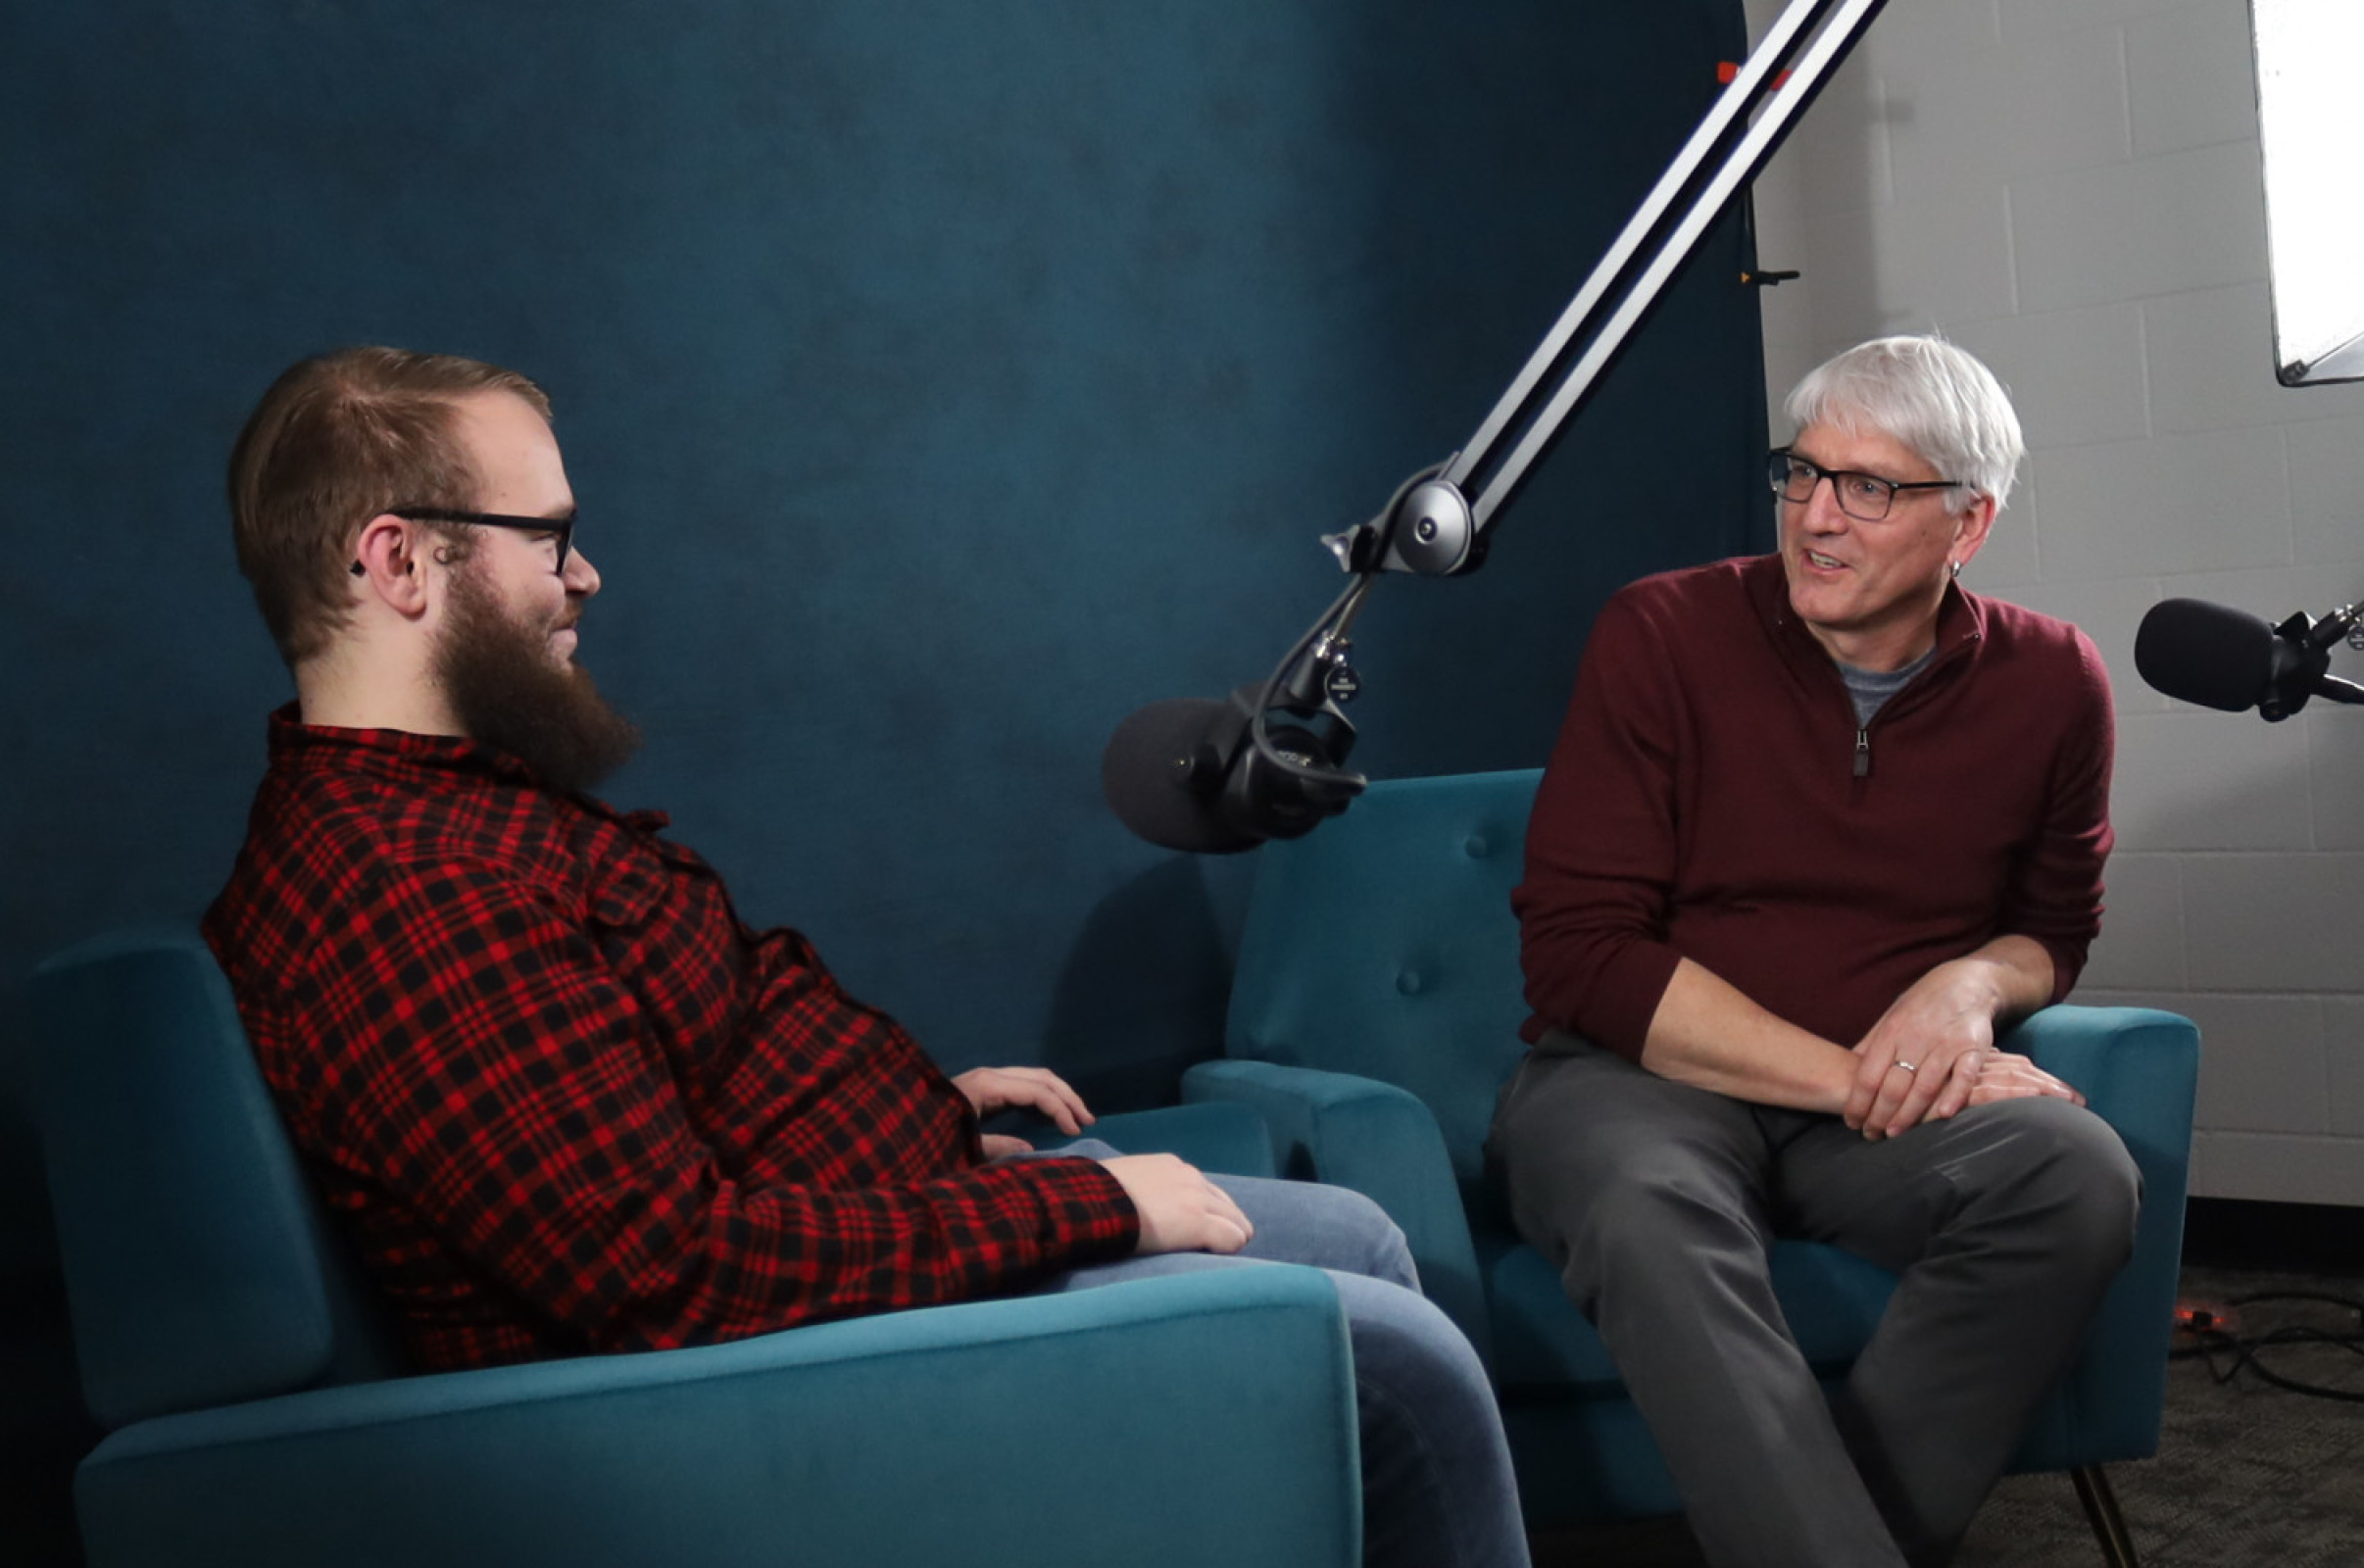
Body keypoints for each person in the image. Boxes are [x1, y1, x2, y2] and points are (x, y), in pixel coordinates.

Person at [197, 346, 1525, 1568]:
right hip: (757, 1402)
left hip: (850, 1268)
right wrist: (1082, 1209)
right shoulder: (410, 895)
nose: (585, 575)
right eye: (551, 537)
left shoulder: (459, 813)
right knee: (1394, 1364)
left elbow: (639, 1110)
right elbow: (669, 1271)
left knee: (1353, 1231)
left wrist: (918, 1126)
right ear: (399, 560)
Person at [1490, 336, 2141, 1568]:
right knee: (1648, 1205)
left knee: (2075, 1173)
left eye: (1870, 488)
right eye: (1801, 473)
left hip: (1885, 1109)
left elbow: (2054, 928)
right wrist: (1850, 1078)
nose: (1817, 519)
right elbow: (1581, 953)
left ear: (1970, 523)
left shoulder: (2055, 680)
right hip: (1636, 1082)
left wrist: (1967, 986)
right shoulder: (1663, 631)